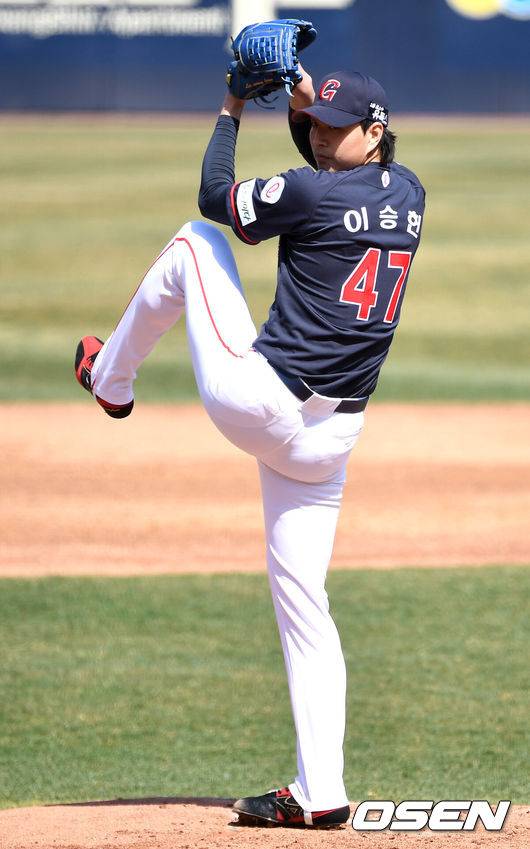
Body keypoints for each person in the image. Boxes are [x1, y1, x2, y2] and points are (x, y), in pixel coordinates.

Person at [74, 57, 425, 828]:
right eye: (319, 125)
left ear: (375, 130)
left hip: (258, 403)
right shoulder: (409, 194)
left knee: (197, 238)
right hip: (330, 441)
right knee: (306, 605)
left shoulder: (307, 192)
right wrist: (300, 85)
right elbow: (330, 161)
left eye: (339, 128)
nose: (323, 137)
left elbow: (216, 193)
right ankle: (321, 789)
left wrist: (237, 99)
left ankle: (112, 382)